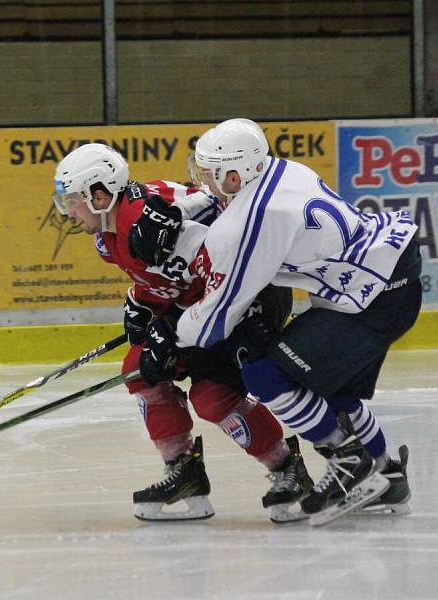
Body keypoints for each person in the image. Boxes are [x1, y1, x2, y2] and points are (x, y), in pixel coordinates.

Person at [141, 118, 418, 526]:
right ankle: (389, 476)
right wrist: (183, 208)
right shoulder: (282, 169)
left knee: (265, 375)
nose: (202, 181)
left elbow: (216, 318)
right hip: (386, 272)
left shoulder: (250, 223)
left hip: (371, 294)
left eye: (208, 174)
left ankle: (348, 460)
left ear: (235, 175)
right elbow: (223, 206)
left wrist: (170, 335)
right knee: (331, 387)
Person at [52, 142, 313, 522]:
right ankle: (183, 471)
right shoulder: (107, 240)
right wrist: (142, 305)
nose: (68, 211)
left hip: (246, 300)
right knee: (139, 369)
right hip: (197, 308)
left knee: (213, 398)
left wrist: (172, 330)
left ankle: (288, 467)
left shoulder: (149, 216)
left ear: (100, 194)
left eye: (72, 200)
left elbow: (222, 235)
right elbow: (162, 281)